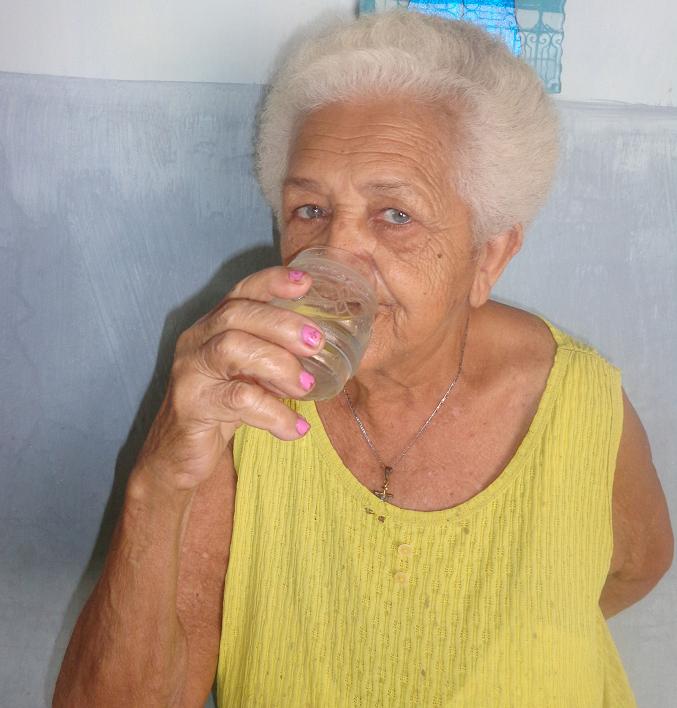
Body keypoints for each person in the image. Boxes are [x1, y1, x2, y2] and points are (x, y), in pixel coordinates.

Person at [54, 10, 673, 707]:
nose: (334, 255)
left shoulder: (579, 403)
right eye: (310, 211)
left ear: (488, 256)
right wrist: (159, 478)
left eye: (395, 215)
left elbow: (635, 566)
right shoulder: (240, 398)